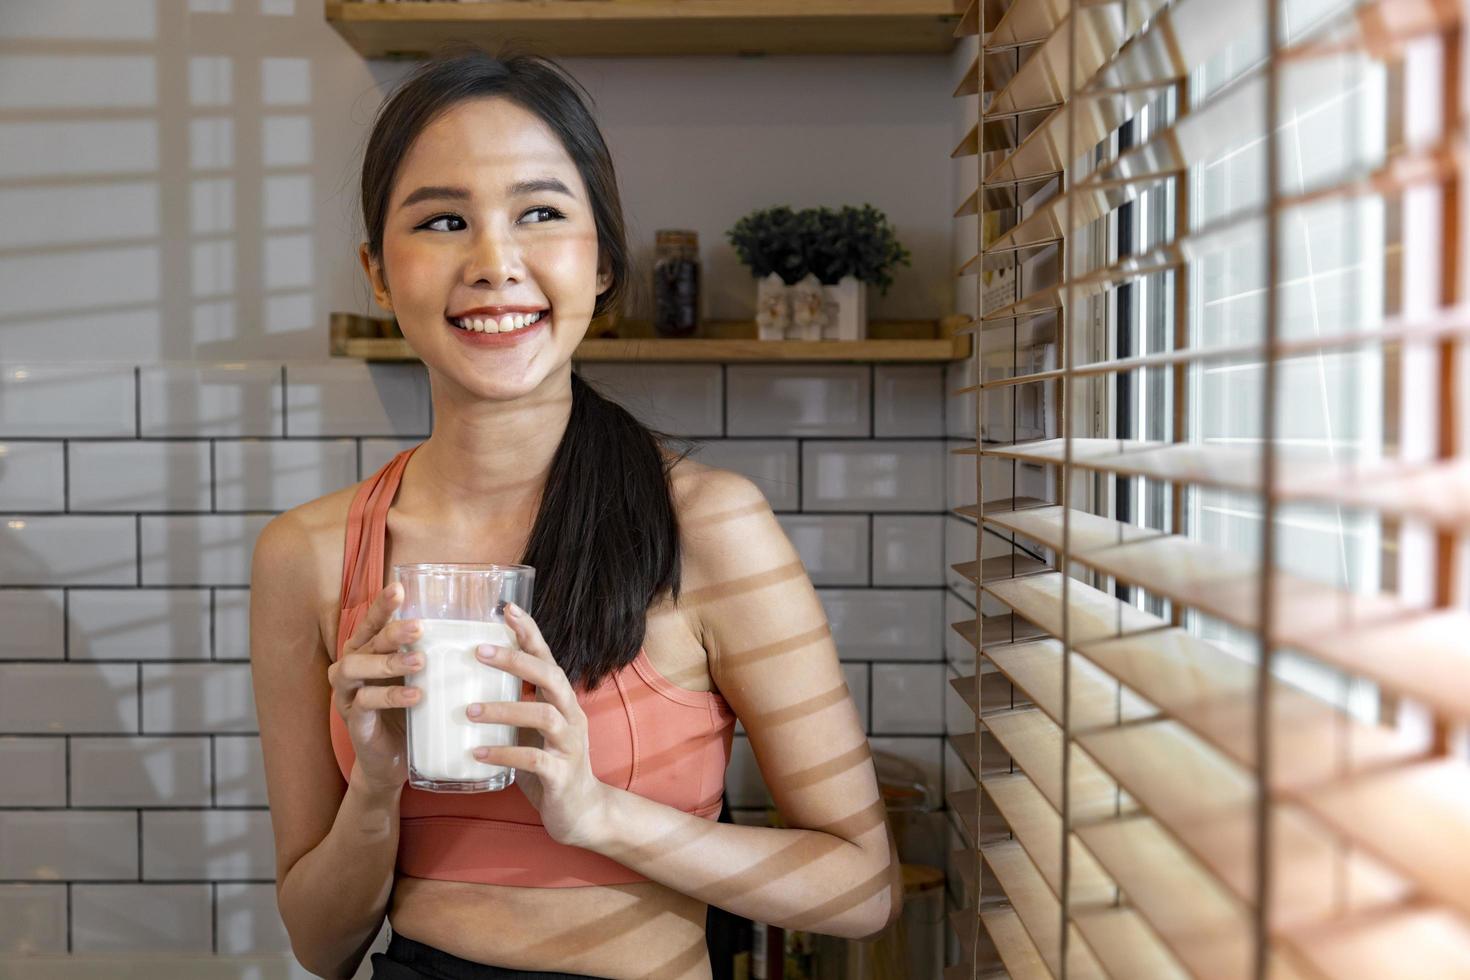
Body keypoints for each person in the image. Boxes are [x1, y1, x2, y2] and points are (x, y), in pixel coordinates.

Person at [249, 45, 901, 980]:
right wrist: (378, 788)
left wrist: (597, 812)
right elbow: (321, 946)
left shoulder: (709, 526)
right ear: (379, 276)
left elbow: (861, 889)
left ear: (601, 259)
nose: (494, 263)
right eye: (441, 221)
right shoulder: (307, 558)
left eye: (541, 214)